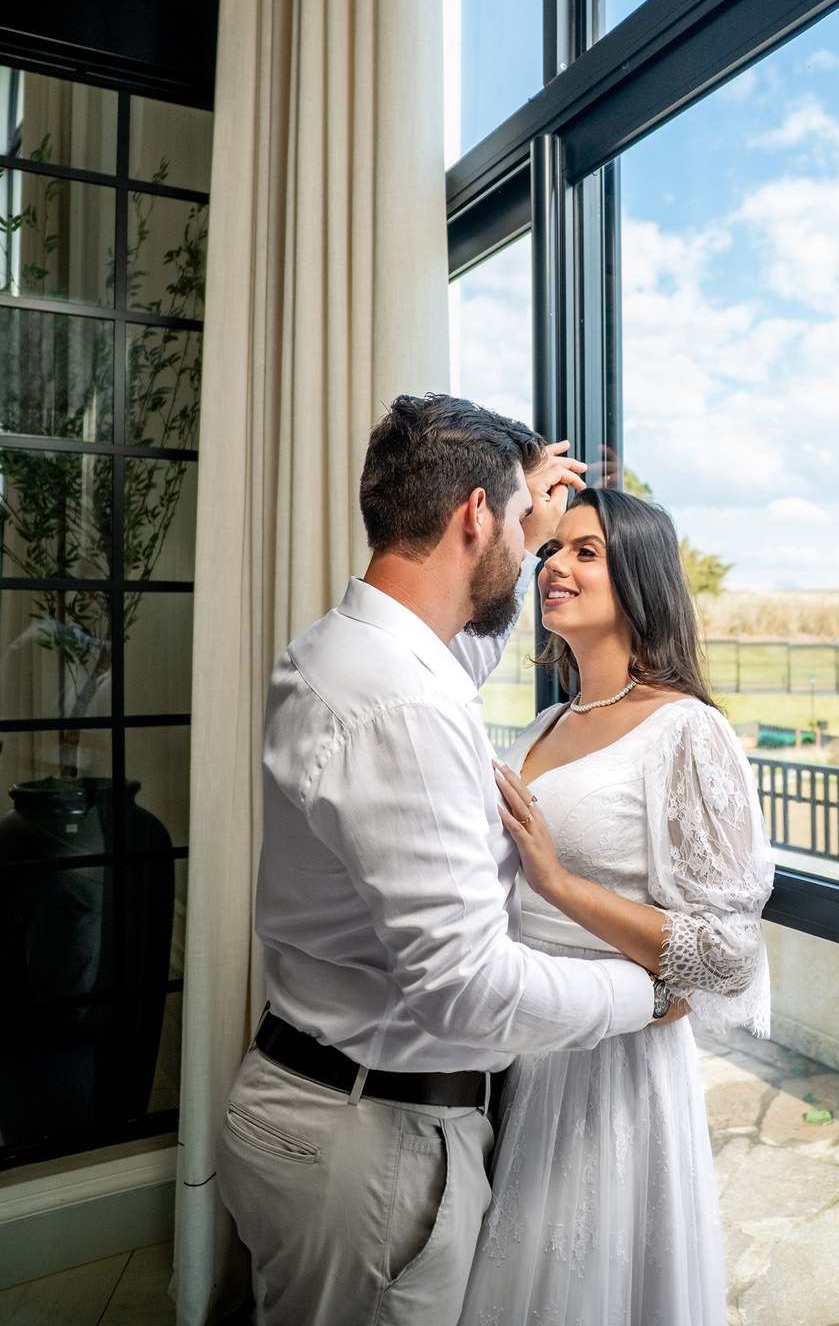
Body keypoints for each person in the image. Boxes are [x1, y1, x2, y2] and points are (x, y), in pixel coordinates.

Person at [216, 397, 668, 1326]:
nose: (541, 548)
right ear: (474, 514)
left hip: (309, 1104)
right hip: (369, 1149)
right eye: (525, 523)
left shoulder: (340, 650)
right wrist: (649, 996)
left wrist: (519, 525)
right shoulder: (405, 708)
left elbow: (453, 657)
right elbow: (466, 988)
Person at [458, 486, 774, 1326]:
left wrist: (560, 886)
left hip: (615, 1073)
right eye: (550, 549)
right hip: (522, 1050)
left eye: (585, 552)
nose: (554, 565)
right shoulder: (542, 726)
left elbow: (728, 953)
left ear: (640, 580)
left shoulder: (687, 731)